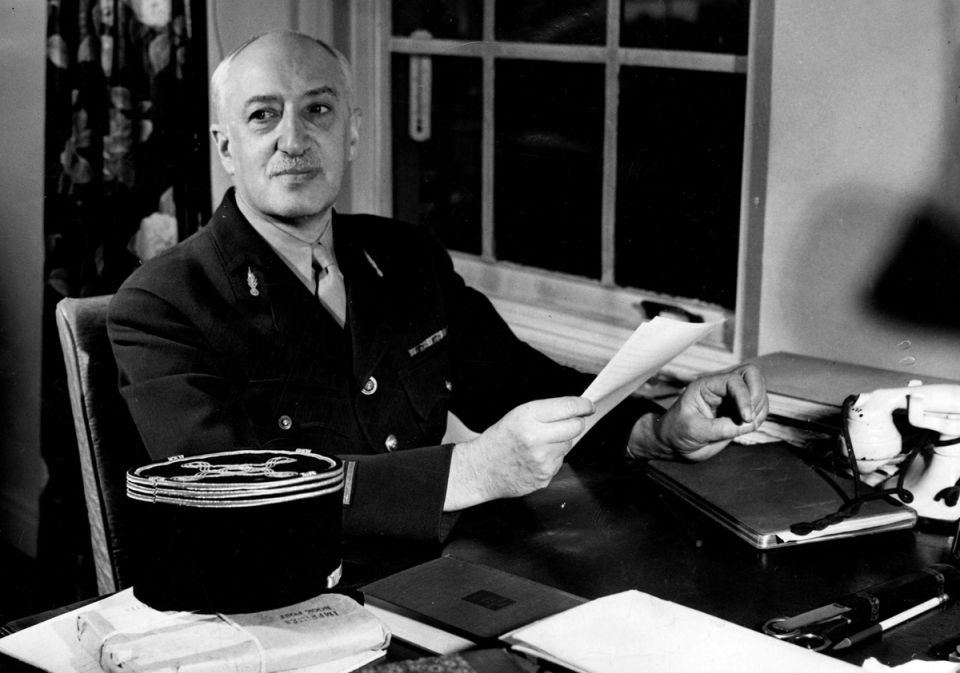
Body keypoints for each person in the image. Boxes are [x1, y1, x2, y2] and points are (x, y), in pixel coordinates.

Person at [107, 30, 767, 543]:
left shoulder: (406, 256)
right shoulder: (163, 302)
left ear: (352, 133)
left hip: (437, 574)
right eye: (262, 116)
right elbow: (238, 499)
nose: (294, 139)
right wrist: (472, 470)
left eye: (318, 110)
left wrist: (657, 428)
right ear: (226, 148)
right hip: (282, 607)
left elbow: (517, 380)